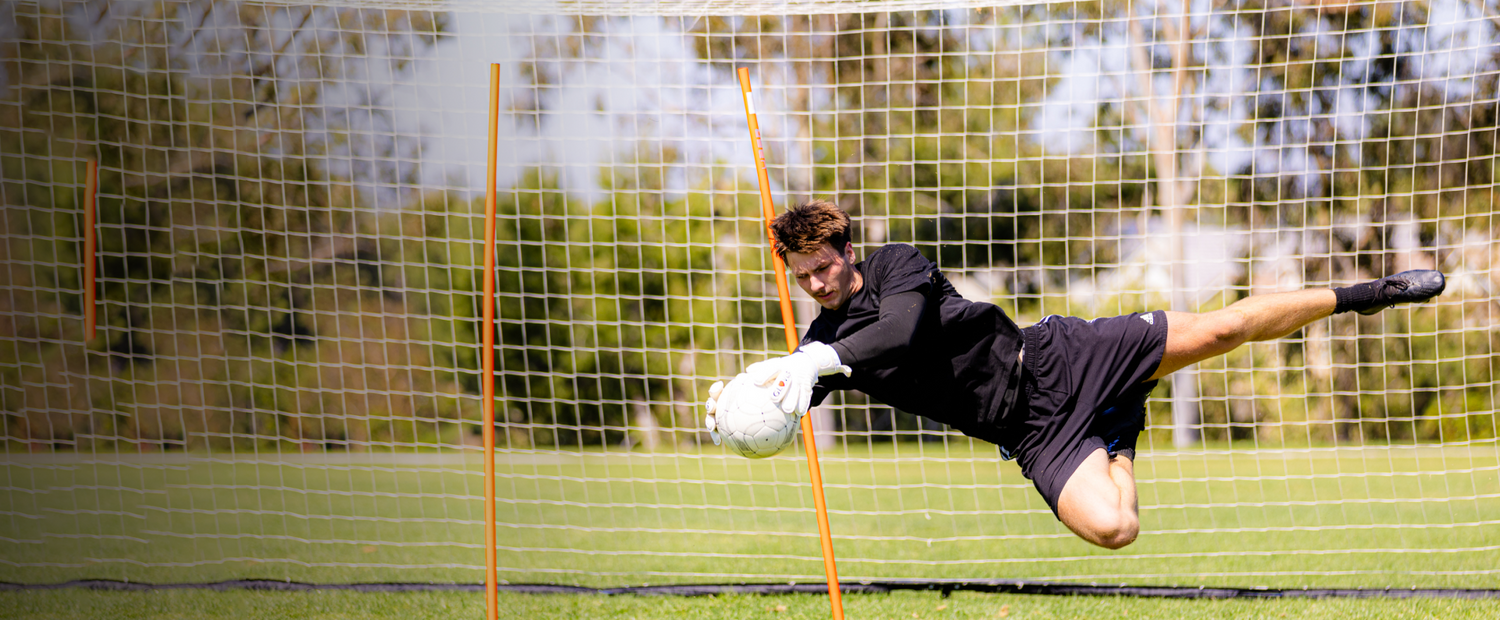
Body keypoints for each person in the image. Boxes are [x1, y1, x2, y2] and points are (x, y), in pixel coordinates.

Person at [707, 200, 1445, 549]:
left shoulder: (897, 267)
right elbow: (786, 402)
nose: (817, 286)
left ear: (846, 251)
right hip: (1031, 432)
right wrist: (738, 407)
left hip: (1061, 355)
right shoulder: (819, 346)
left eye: (824, 268)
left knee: (1219, 329)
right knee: (1114, 526)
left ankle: (1372, 293)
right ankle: (1121, 430)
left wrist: (817, 358)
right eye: (803, 277)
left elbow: (900, 329)